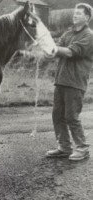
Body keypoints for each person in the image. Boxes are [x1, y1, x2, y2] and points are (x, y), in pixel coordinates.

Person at [46, 3, 93, 161]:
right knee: (57, 115)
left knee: (71, 116)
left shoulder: (89, 35)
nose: (75, 15)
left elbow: (71, 52)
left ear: (87, 17)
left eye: (79, 13)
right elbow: (56, 50)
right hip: (61, 80)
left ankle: (82, 148)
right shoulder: (68, 33)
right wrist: (45, 49)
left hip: (75, 81)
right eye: (75, 13)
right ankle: (64, 147)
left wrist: (51, 48)